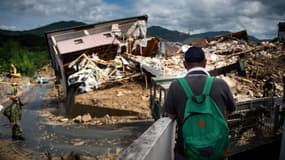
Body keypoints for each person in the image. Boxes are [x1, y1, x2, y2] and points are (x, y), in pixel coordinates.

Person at [163, 46, 236, 160]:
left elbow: (171, 116)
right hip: (217, 151)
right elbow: (231, 110)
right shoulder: (220, 84)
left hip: (186, 152)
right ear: (205, 63)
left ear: (184, 64)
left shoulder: (176, 86)